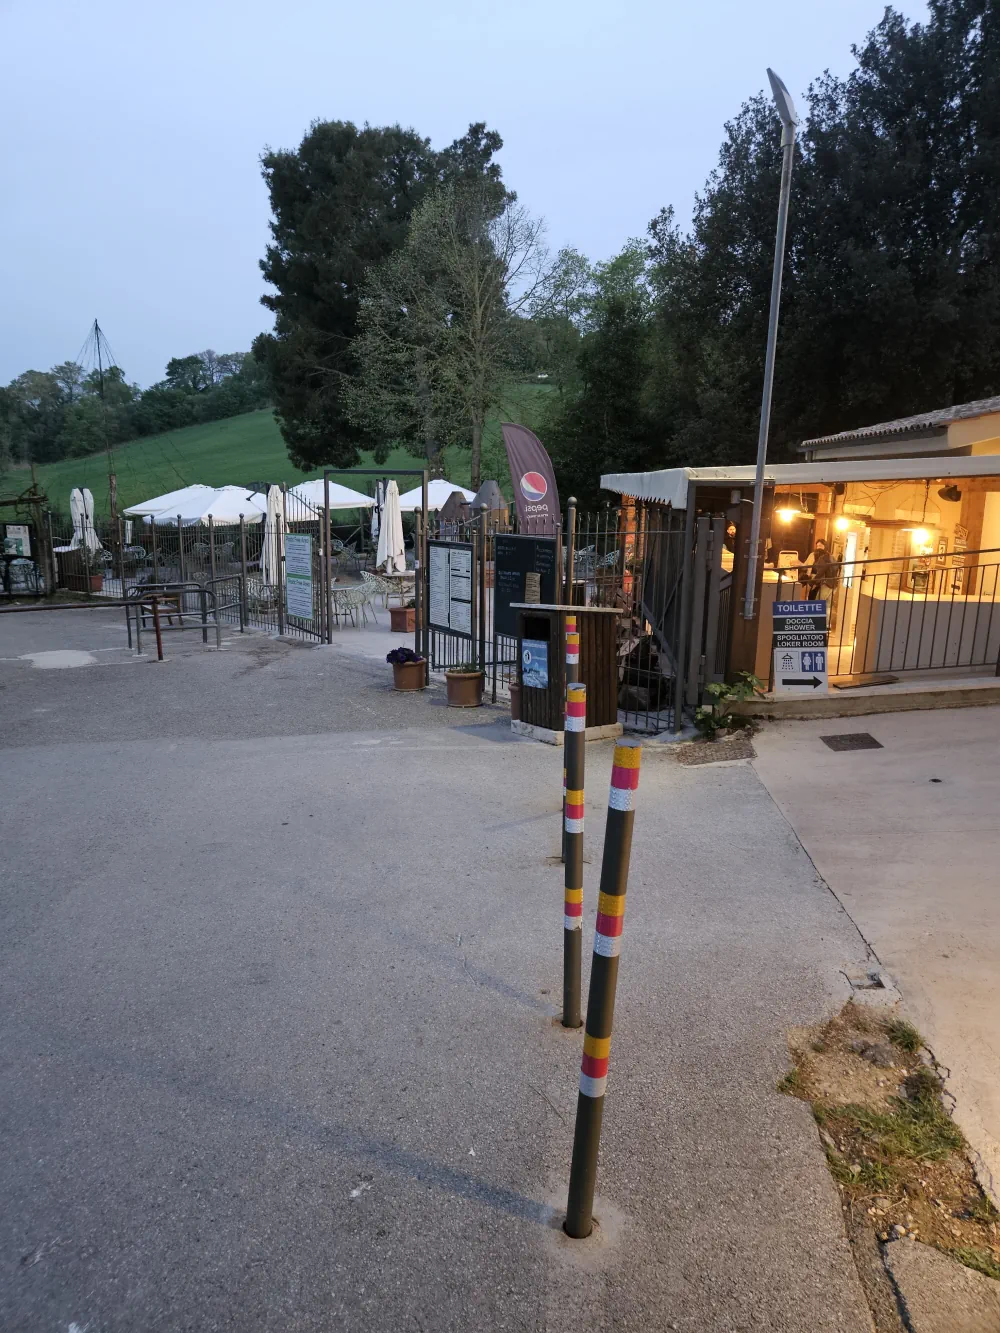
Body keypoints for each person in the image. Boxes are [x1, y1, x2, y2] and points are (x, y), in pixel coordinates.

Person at [804, 539, 838, 605]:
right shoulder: (829, 557)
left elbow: (821, 572)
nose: (818, 547)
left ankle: (815, 615)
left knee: (818, 603)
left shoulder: (823, 557)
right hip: (831, 584)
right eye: (817, 546)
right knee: (826, 605)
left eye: (820, 545)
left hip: (826, 584)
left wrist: (811, 583)